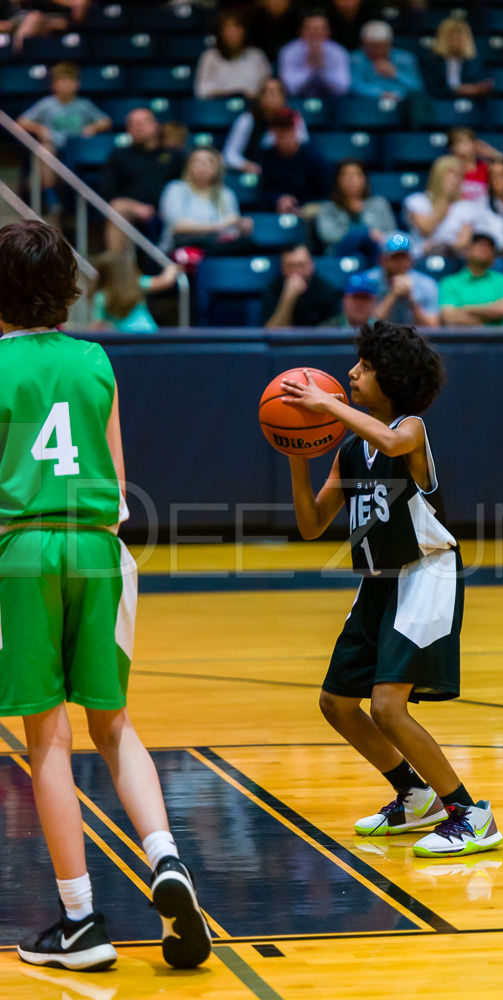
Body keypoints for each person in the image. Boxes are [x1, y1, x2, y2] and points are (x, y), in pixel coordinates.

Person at [0, 219, 210, 971]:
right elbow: (118, 484)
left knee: (45, 736)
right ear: (67, 289)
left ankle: (81, 920)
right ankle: (165, 859)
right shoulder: (96, 361)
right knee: (114, 723)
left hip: (22, 549)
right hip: (100, 546)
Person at [279, 320, 502, 858]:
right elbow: (311, 525)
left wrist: (327, 408)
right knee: (336, 702)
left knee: (387, 706)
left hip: (425, 574)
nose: (352, 373)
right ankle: (414, 794)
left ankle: (470, 814)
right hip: (377, 582)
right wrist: (294, 450)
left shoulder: (411, 429)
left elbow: (390, 438)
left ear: (392, 378)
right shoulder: (352, 453)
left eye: (366, 367)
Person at [17, 62, 111, 216]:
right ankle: (52, 199)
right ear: (54, 85)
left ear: (77, 84)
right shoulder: (47, 104)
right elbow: (21, 121)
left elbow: (106, 121)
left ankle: (57, 199)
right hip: (54, 152)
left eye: (70, 81)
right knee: (44, 150)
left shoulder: (84, 105)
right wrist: (40, 128)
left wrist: (92, 128)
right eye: (62, 81)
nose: (66, 85)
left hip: (77, 152)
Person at [102, 107, 185, 253]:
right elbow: (107, 193)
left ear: (156, 126)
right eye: (133, 123)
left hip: (169, 211)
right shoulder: (119, 155)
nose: (138, 126)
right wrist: (135, 207)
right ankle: (118, 271)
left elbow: (185, 187)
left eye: (144, 121)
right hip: (132, 211)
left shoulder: (174, 156)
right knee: (117, 209)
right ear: (128, 130)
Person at [434, 159, 503, 257]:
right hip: (494, 257)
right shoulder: (480, 203)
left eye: (502, 175)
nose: (498, 180)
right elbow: (482, 235)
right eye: (493, 176)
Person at [158, 146, 253, 254]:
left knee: (248, 244)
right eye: (197, 161)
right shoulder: (176, 188)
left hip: (216, 246)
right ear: (188, 166)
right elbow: (177, 226)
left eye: (209, 162)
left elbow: (231, 228)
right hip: (181, 247)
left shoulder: (226, 194)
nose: (203, 166)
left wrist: (242, 227)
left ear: (217, 167)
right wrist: (218, 225)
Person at [315, 158, 396, 266]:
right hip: (339, 259)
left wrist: (378, 236)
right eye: (346, 175)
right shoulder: (328, 208)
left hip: (376, 256)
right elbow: (327, 236)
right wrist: (365, 232)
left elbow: (391, 234)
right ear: (337, 180)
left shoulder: (379, 203)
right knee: (361, 232)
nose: (351, 180)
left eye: (357, 175)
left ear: (365, 179)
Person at [222, 76, 309, 174]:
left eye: (274, 92)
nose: (270, 96)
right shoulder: (247, 119)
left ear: (284, 97)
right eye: (266, 92)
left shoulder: (294, 118)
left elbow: (304, 148)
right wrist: (250, 166)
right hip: (256, 176)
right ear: (259, 96)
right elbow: (229, 155)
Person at [257, 108, 332, 213]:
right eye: (279, 133)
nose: (283, 138)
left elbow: (325, 194)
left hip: (308, 212)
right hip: (277, 211)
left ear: (295, 131)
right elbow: (264, 190)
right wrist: (278, 199)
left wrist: (302, 208)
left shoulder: (314, 157)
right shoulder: (267, 156)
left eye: (287, 130)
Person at [439, 232, 503, 326]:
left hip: (501, 340)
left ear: (494, 256)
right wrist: (486, 324)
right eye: (477, 244)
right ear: (467, 251)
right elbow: (449, 317)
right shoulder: (449, 283)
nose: (483, 248)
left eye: (489, 246)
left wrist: (466, 309)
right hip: (463, 340)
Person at [90, 253, 181, 332]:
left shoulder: (101, 296)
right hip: (149, 331)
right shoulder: (137, 283)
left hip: (126, 337)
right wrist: (172, 269)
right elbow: (165, 281)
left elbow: (97, 325)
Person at [364, 232, 439, 327]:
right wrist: (393, 295)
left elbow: (433, 327)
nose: (400, 263)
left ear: (411, 260)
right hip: (380, 340)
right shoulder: (368, 281)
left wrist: (411, 300)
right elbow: (369, 325)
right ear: (383, 260)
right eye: (395, 258)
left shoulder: (427, 284)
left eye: (404, 257)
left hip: (413, 339)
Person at [194, 10, 271, 100]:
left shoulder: (257, 55)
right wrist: (232, 95)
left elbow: (266, 91)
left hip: (252, 109)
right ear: (220, 32)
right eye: (226, 27)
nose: (231, 32)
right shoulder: (209, 56)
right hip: (217, 109)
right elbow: (202, 91)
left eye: (236, 26)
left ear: (244, 30)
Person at [262, 244, 340, 327]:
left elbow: (334, 330)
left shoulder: (325, 289)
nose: (296, 271)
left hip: (317, 339)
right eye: (290, 266)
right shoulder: (273, 289)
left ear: (311, 265)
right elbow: (271, 334)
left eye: (301, 265)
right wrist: (287, 298)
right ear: (282, 268)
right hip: (286, 339)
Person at [278, 10, 351, 98]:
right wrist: (309, 68)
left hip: (331, 101)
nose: (316, 33)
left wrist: (323, 70)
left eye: (320, 29)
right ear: (301, 31)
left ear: (328, 32)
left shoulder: (338, 52)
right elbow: (289, 88)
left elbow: (343, 88)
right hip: (298, 99)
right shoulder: (288, 52)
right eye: (311, 29)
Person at [402, 155, 464, 258]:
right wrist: (443, 199)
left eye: (459, 175)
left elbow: (463, 242)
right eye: (451, 173)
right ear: (438, 175)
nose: (456, 179)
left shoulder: (464, 206)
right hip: (421, 257)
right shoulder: (417, 200)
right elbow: (426, 230)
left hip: (452, 257)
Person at [420, 17, 494, 99]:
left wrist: (477, 89)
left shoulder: (475, 61)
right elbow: (430, 89)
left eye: (460, 37)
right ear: (442, 38)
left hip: (471, 103)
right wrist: (457, 90)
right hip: (440, 104)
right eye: (451, 37)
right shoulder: (431, 61)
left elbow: (484, 84)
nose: (456, 40)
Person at [350, 20, 423, 101]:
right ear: (364, 43)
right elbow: (354, 87)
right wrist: (382, 94)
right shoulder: (356, 59)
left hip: (403, 104)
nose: (378, 51)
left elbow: (417, 87)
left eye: (382, 46)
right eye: (373, 46)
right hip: (368, 104)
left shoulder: (405, 58)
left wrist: (395, 73)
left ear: (390, 43)